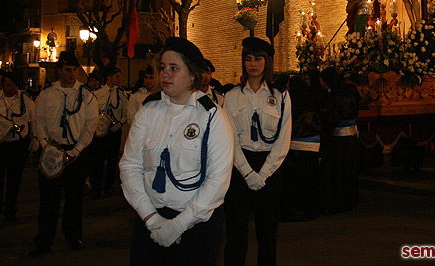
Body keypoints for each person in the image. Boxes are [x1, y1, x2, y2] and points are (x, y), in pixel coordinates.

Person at [120, 37, 234, 265]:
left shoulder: (213, 116)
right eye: (162, 68)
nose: (165, 74)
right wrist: (152, 220)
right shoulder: (148, 111)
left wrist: (178, 225)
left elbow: (217, 180)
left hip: (196, 225)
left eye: (174, 68)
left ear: (192, 75)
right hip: (150, 218)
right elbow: (130, 166)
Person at [223, 36, 292, 266]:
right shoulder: (232, 96)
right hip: (239, 167)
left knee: (267, 235)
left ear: (267, 62)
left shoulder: (280, 95)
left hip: (270, 168)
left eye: (258, 59)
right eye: (248, 59)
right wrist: (247, 173)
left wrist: (263, 174)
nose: (253, 64)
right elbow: (229, 138)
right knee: (235, 235)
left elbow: (283, 139)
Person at [30, 51, 99, 257]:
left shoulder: (86, 95)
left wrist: (76, 150)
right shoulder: (47, 94)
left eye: (74, 70)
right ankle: (44, 240)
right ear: (59, 70)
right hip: (52, 152)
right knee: (48, 201)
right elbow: (39, 121)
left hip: (75, 153)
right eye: (67, 70)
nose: (72, 74)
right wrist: (45, 145)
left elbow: (90, 125)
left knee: (74, 199)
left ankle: (73, 236)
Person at [318, 67, 361, 213]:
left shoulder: (332, 96)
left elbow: (332, 119)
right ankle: (351, 200)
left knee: (336, 172)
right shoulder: (350, 91)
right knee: (350, 169)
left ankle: (338, 202)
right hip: (353, 137)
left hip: (338, 140)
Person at [280, 75, 323, 222]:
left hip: (295, 145)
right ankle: (311, 208)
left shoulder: (291, 102)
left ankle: (297, 209)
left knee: (296, 181)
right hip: (312, 144)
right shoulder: (312, 100)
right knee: (309, 179)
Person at [0, 72, 37, 222]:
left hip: (18, 145)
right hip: (1, 144)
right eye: (9, 85)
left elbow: (34, 121)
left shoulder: (26, 101)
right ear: (2, 85)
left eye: (15, 85)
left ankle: (10, 210)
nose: (12, 88)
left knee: (14, 180)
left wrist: (34, 139)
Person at [91, 66, 128, 198]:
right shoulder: (97, 94)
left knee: (112, 160)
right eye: (117, 76)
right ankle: (95, 187)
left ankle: (108, 186)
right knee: (98, 160)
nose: (119, 79)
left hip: (114, 131)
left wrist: (119, 124)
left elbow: (126, 113)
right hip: (100, 131)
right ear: (109, 77)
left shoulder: (122, 95)